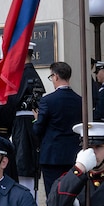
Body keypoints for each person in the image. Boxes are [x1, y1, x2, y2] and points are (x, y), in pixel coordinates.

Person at [33, 61, 82, 196]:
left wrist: (36, 120)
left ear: (55, 76)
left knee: (54, 194)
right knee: (72, 194)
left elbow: (38, 129)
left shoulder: (47, 100)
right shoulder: (79, 100)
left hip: (52, 156)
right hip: (73, 155)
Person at [11, 44, 47, 195]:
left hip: (21, 125)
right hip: (30, 122)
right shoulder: (34, 74)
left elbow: (13, 100)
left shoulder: (22, 75)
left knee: (23, 166)